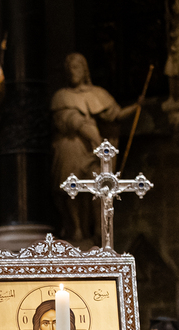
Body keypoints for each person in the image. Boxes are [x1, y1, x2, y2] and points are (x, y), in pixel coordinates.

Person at [51, 53, 141, 243]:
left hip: (91, 149)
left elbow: (114, 115)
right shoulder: (61, 97)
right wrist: (92, 135)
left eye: (76, 67)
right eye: (69, 68)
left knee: (97, 188)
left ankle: (98, 229)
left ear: (85, 71)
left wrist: (136, 107)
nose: (72, 72)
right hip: (71, 146)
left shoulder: (98, 93)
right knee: (71, 187)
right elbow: (67, 120)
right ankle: (76, 229)